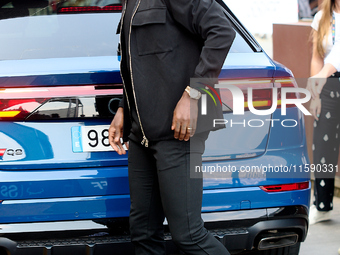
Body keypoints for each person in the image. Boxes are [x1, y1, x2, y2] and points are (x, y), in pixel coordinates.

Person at [109, 0, 236, 254]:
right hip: (141, 134)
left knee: (189, 235)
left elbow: (222, 30)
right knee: (143, 234)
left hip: (179, 131)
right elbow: (139, 63)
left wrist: (193, 94)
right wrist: (124, 108)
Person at [307, 0, 340, 225]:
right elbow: (316, 57)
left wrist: (323, 73)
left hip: (328, 76)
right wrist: (316, 95)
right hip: (330, 86)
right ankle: (322, 206)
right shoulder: (322, 17)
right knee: (323, 145)